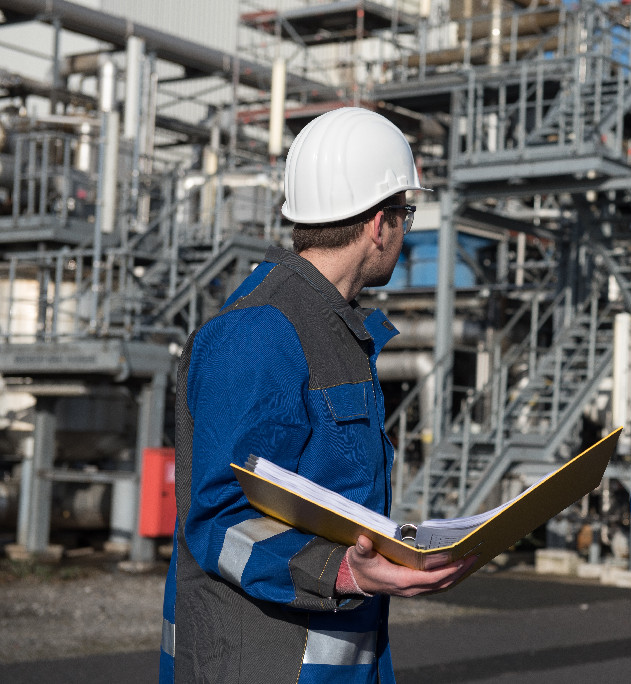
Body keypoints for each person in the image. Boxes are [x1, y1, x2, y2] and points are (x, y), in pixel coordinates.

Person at [160, 107, 474, 684]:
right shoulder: (258, 335)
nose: (405, 232)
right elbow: (219, 518)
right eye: (406, 215)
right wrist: (346, 573)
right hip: (258, 665)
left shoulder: (333, 330)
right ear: (380, 224)